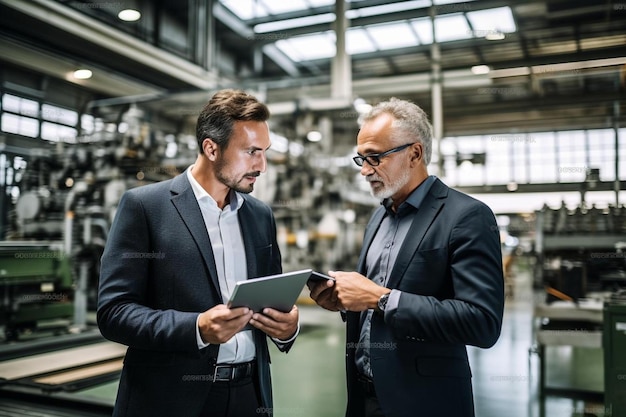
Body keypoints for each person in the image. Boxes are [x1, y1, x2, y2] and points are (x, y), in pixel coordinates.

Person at [98, 89, 299, 417]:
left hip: (250, 395)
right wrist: (197, 328)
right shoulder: (146, 207)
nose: (261, 165)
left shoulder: (260, 215)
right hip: (171, 400)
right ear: (211, 148)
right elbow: (114, 313)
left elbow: (273, 300)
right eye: (251, 152)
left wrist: (288, 327)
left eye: (264, 152)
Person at [310, 97, 504, 417]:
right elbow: (373, 304)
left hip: (424, 401)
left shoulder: (467, 216)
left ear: (415, 153)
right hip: (365, 397)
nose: (365, 171)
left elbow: (482, 322)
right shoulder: (379, 218)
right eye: (361, 160)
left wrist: (381, 299)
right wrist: (345, 302)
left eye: (375, 158)